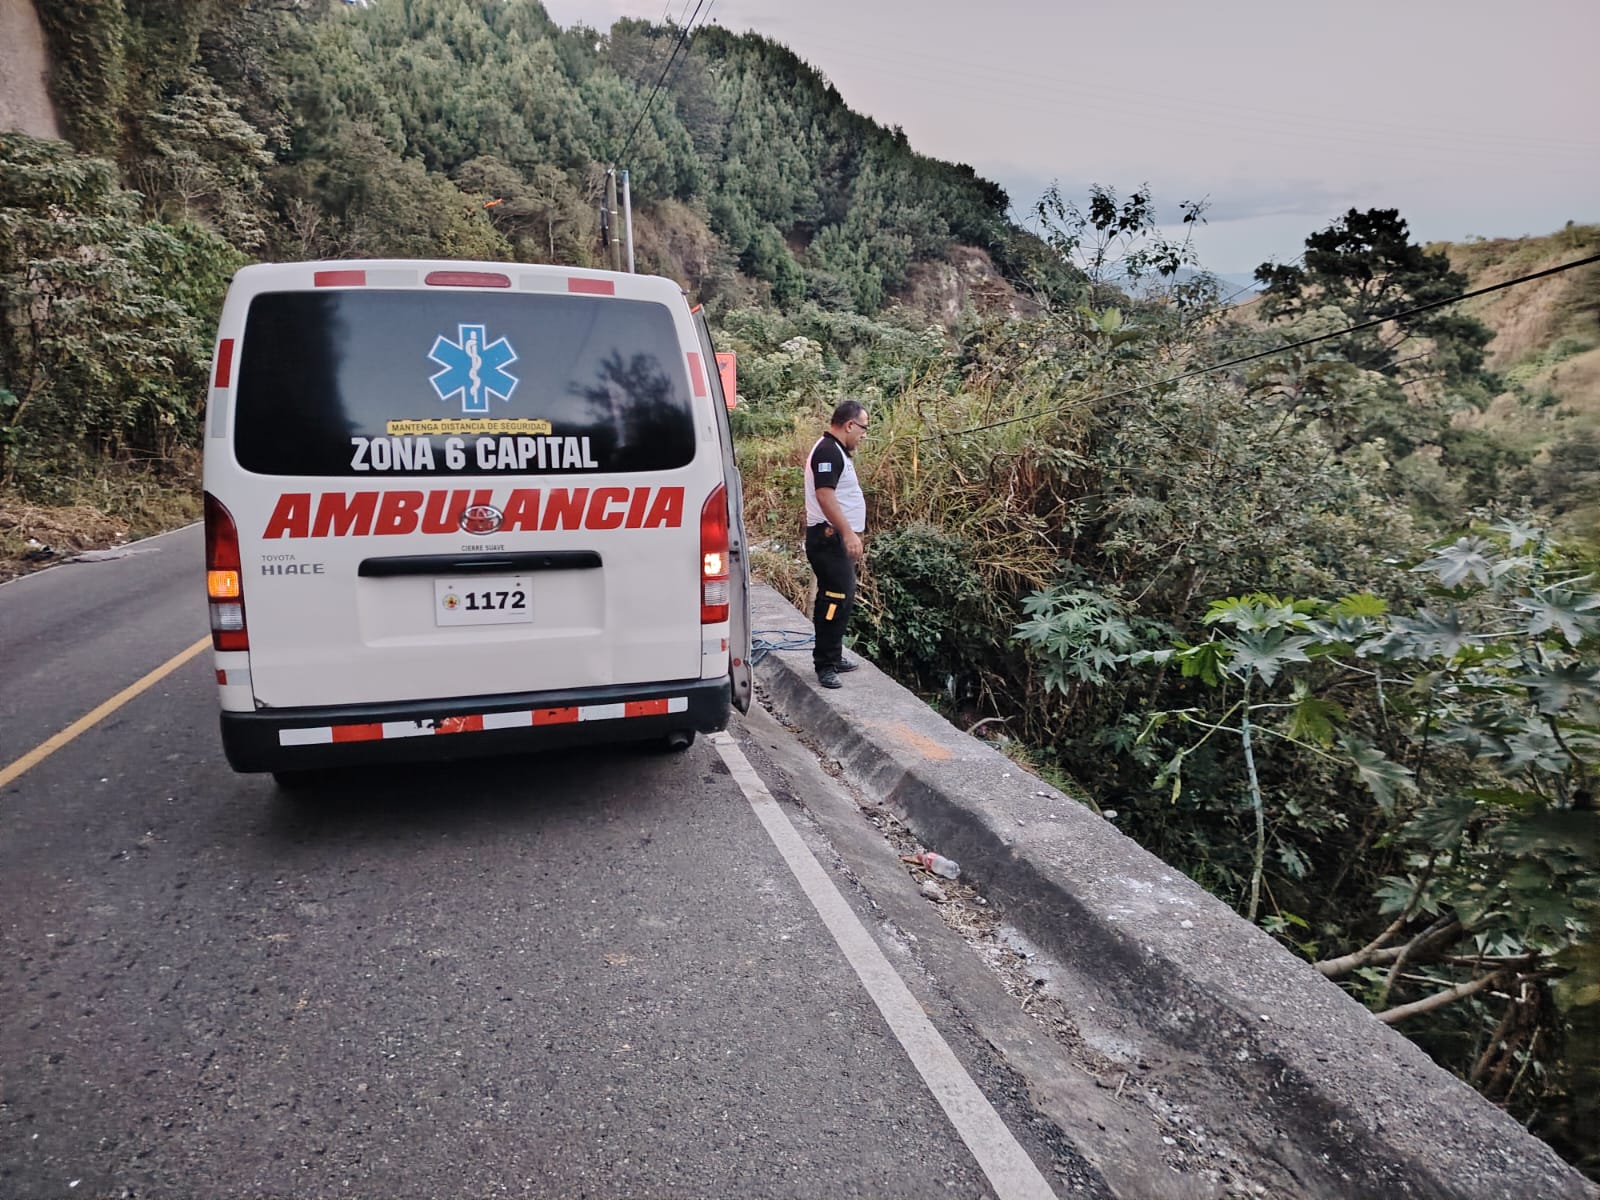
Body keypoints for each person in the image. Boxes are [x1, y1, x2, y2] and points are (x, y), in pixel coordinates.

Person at [804, 400, 869, 688]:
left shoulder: (835, 451)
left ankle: (833, 654)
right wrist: (848, 533)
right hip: (828, 540)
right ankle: (825, 664)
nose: (864, 434)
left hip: (831, 540)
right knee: (836, 600)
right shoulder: (828, 451)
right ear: (849, 424)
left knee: (835, 598)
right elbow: (825, 495)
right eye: (863, 427)